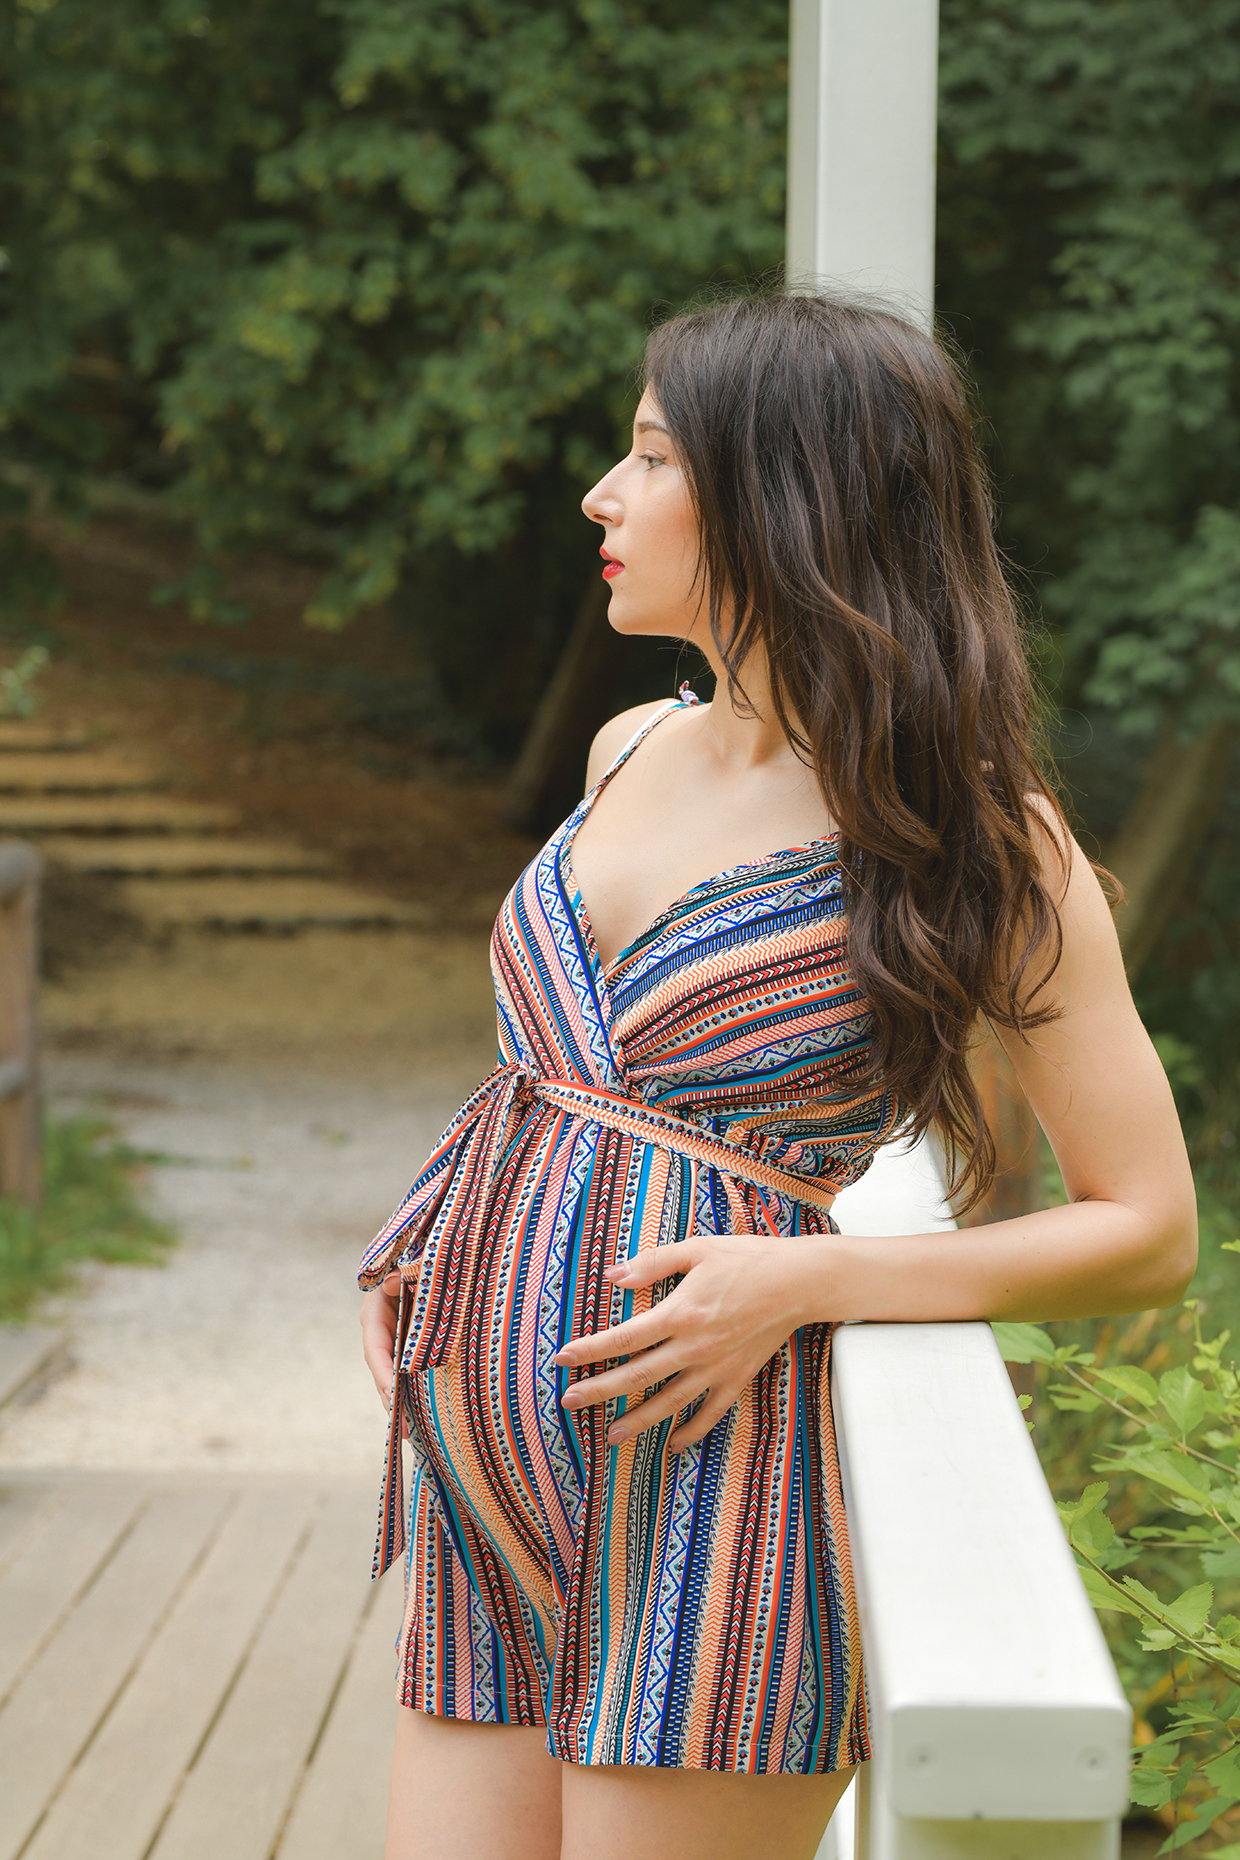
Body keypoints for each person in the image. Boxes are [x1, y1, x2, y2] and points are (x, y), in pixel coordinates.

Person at [359, 292, 1197, 1860]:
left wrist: (814, 1283)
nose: (605, 494)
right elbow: (553, 1090)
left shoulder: (975, 842)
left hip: (718, 1496)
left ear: (780, 495)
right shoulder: (626, 751)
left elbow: (1149, 1227)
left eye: (652, 455)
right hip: (483, 1482)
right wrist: (430, 1247)